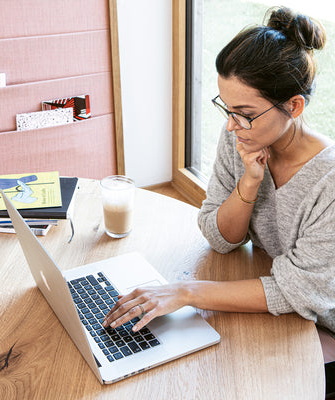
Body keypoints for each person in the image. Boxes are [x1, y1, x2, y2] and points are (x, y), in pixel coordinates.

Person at [103, 7, 335, 387]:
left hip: (322, 322)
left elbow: (301, 293)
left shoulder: (329, 182)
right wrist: (248, 183)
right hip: (285, 305)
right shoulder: (243, 137)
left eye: (244, 113)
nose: (230, 125)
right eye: (226, 108)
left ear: (293, 106)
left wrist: (186, 292)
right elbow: (219, 237)